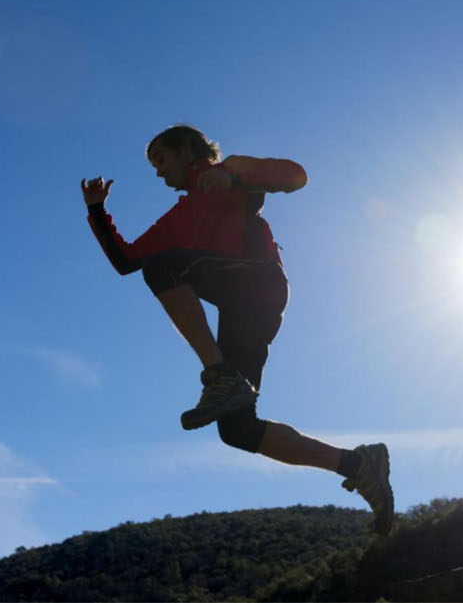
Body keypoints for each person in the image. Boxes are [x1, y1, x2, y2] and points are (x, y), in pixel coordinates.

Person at [81, 124, 395, 535]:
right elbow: (126, 262)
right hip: (244, 311)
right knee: (237, 430)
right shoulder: (177, 216)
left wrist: (234, 178)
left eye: (161, 159)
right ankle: (356, 463)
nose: (158, 172)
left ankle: (219, 376)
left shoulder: (230, 170)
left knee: (166, 267)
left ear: (187, 151)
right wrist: (97, 210)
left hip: (260, 281)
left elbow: (296, 175)